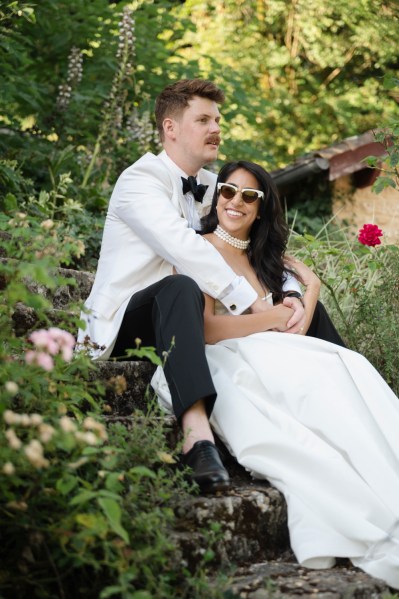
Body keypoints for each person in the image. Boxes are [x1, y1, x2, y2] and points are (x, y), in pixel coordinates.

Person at [77, 78, 341, 494]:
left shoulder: (215, 186)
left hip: (181, 321)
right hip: (130, 320)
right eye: (202, 119)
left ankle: (349, 394)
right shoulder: (139, 181)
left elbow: (247, 237)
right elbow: (188, 249)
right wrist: (254, 305)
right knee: (180, 285)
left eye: (217, 119)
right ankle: (198, 438)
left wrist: (292, 291)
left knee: (312, 315)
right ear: (171, 128)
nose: (215, 127)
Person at [152, 160, 399, 590]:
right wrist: (268, 319)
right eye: (228, 191)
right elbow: (205, 330)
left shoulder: (265, 262)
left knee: (345, 367)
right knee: (310, 380)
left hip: (282, 351)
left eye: (249, 196)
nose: (235, 202)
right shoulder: (197, 248)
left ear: (261, 208)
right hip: (229, 354)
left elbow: (297, 329)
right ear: (217, 195)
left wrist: (312, 286)